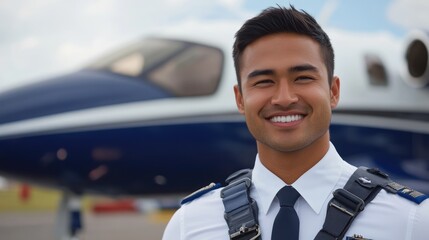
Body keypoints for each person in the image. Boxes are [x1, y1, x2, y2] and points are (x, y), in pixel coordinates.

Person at [162, 5, 429, 240]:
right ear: (240, 98)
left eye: (302, 78)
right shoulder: (188, 227)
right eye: (264, 81)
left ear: (333, 91)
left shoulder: (412, 223)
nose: (284, 98)